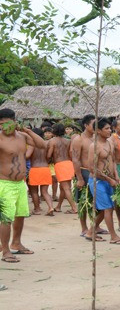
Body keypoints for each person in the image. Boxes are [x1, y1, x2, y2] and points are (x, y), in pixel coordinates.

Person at [0, 109, 46, 262]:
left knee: (20, 215)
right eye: (0, 124)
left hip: (20, 183)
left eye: (6, 123)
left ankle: (16, 243)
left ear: (14, 121)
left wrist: (26, 130)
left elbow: (42, 145)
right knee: (6, 217)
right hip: (4, 183)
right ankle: (5, 250)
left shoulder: (23, 136)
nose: (3, 127)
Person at [86, 118, 120, 244]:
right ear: (98, 131)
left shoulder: (110, 143)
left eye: (110, 128)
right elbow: (92, 168)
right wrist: (108, 179)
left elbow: (112, 160)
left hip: (109, 180)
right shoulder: (94, 146)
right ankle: (113, 236)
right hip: (98, 181)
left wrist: (116, 175)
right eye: (106, 128)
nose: (110, 130)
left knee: (108, 208)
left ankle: (90, 232)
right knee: (108, 208)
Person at [71, 114, 96, 238]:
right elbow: (75, 159)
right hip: (83, 172)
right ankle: (84, 227)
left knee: (95, 201)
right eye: (93, 124)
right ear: (86, 125)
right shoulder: (78, 139)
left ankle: (95, 225)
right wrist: (79, 178)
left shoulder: (96, 138)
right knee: (83, 202)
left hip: (95, 173)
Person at [47, 123, 76, 214]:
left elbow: (49, 155)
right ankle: (58, 206)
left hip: (60, 164)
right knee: (64, 187)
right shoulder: (68, 141)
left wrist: (48, 160)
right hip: (69, 163)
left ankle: (74, 208)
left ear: (53, 131)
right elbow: (71, 153)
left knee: (66, 188)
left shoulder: (52, 141)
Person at [26, 127, 53, 215]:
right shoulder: (45, 144)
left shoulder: (31, 144)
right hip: (45, 168)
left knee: (34, 191)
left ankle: (37, 209)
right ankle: (50, 207)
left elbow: (27, 156)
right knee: (45, 191)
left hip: (35, 169)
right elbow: (49, 156)